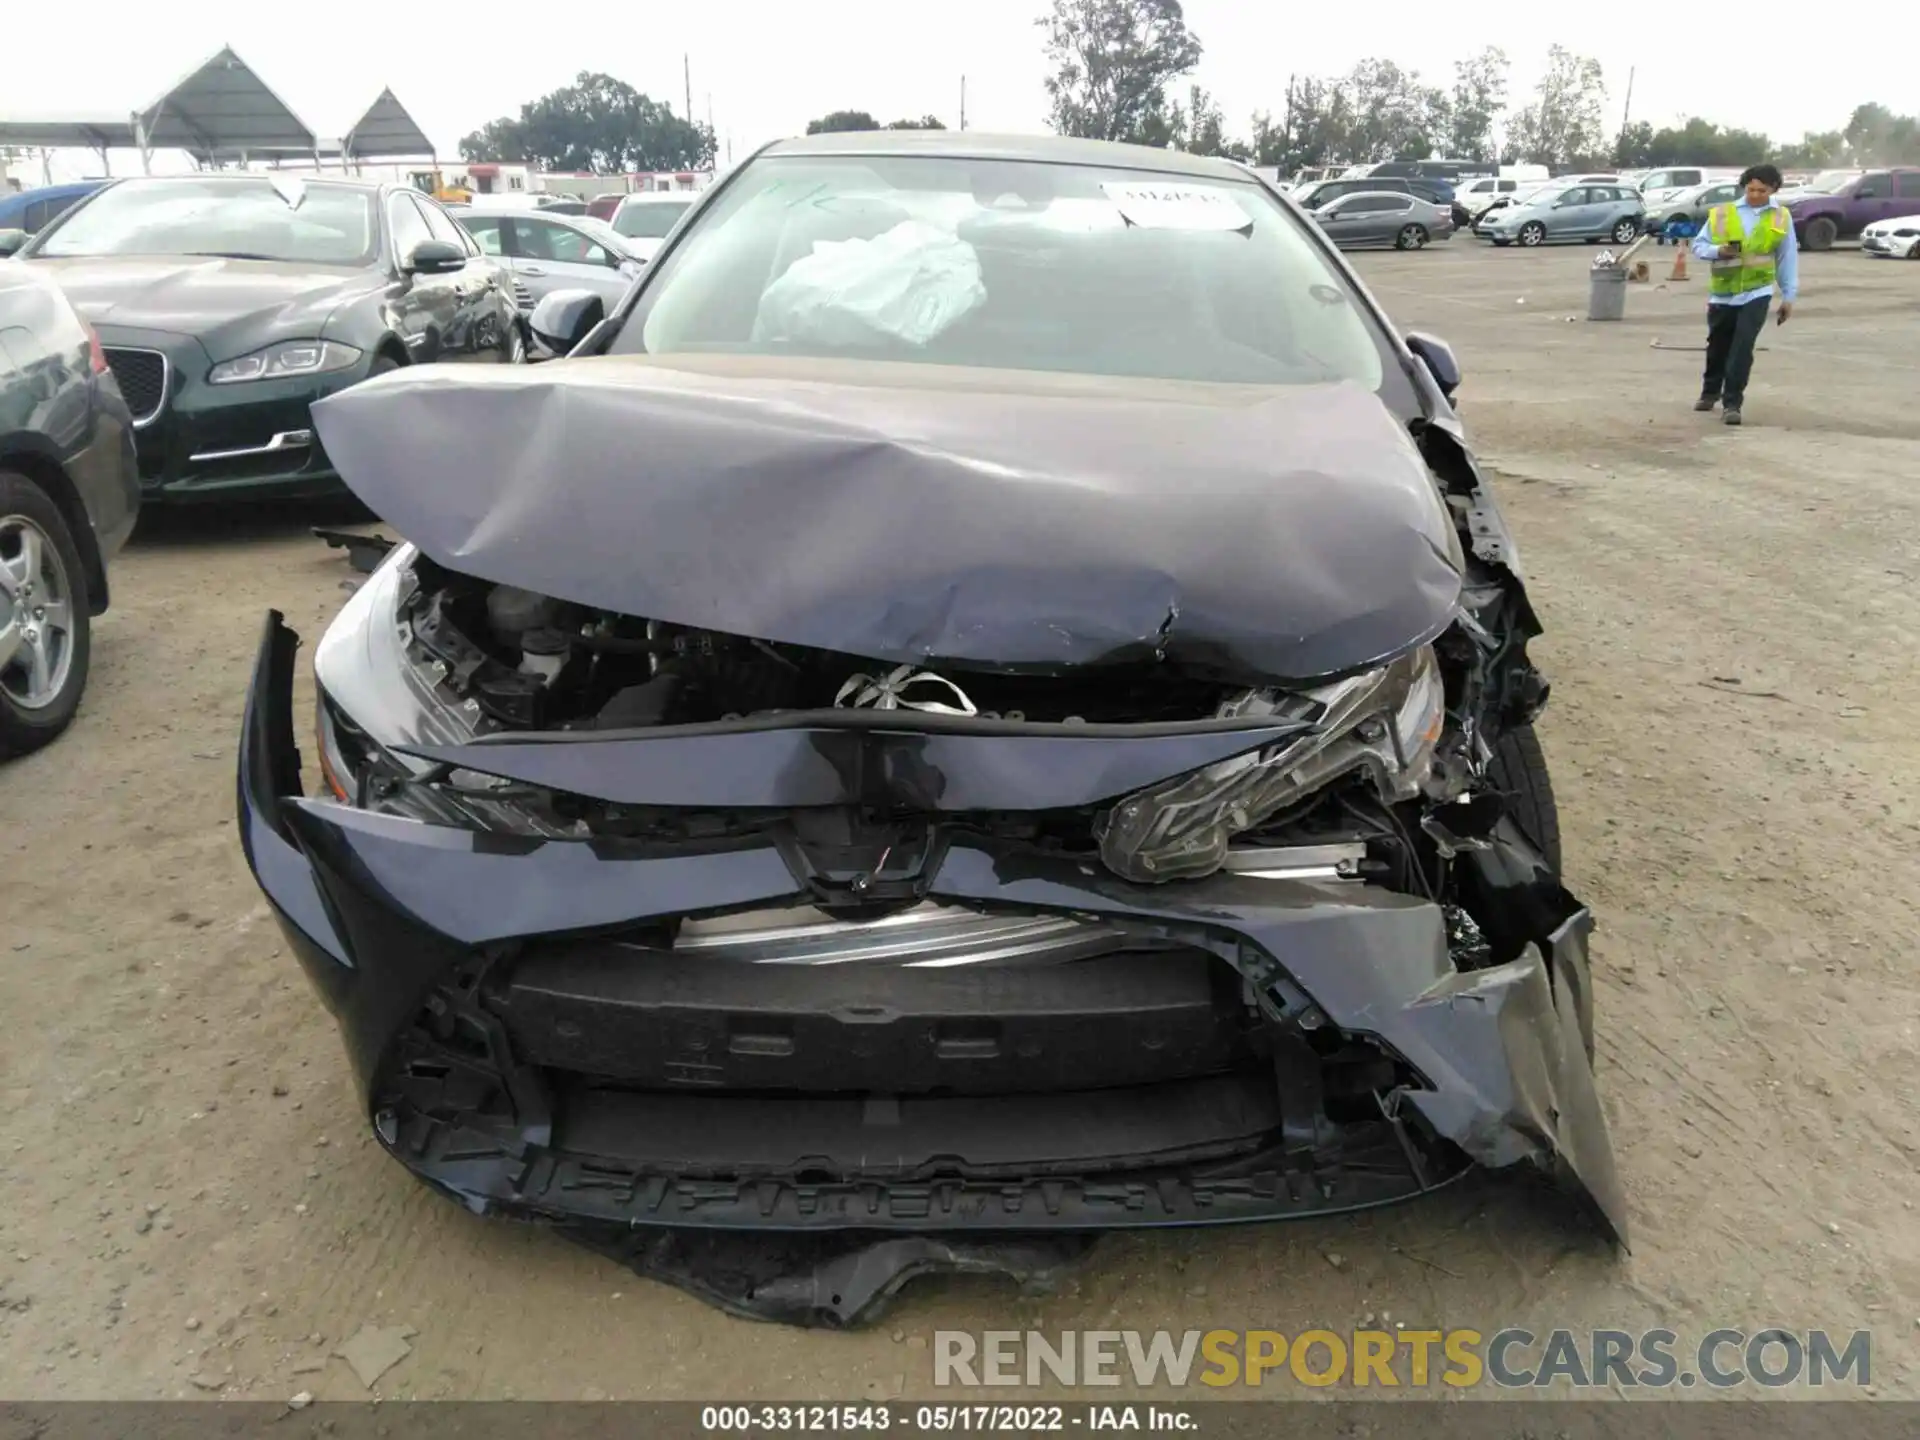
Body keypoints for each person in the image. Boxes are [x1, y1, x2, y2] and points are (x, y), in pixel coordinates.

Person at [1690, 163, 1798, 426]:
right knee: (1718, 345)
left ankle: (1732, 403)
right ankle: (1710, 390)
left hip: (1757, 292)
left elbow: (1787, 257)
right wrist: (1719, 251)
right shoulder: (1723, 214)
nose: (1756, 195)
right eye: (1751, 190)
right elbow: (1698, 245)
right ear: (1744, 187)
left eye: (1762, 190)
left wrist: (1788, 295)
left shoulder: (1781, 217)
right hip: (1723, 293)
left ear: (1773, 189)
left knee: (1742, 347)